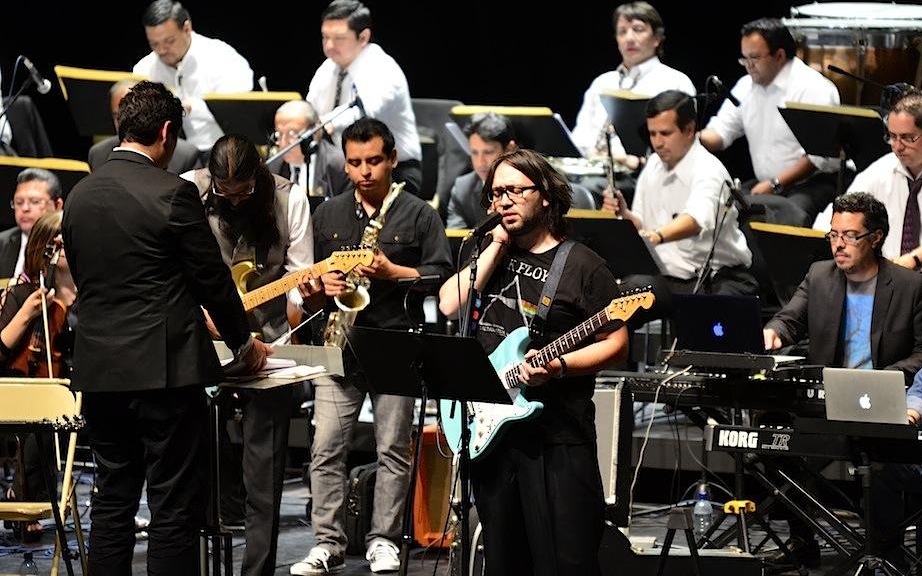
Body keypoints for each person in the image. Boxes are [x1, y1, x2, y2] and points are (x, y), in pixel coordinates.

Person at [61, 80, 269, 576]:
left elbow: (87, 281)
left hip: (100, 373)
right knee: (173, 507)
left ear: (120, 126)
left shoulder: (79, 196)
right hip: (165, 375)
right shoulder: (173, 193)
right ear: (168, 131)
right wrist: (245, 345)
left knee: (111, 502)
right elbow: (212, 283)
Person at [437, 148, 630, 575]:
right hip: (491, 433)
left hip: (557, 438)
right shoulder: (488, 255)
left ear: (545, 195)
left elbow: (617, 344)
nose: (503, 201)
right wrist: (495, 245)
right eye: (496, 193)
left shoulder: (583, 266)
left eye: (514, 191)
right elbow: (449, 304)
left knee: (566, 562)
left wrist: (560, 367)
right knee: (505, 561)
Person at [289, 117, 451, 575]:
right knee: (325, 449)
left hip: (395, 343)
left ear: (392, 159)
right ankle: (327, 543)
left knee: (393, 449)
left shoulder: (419, 213)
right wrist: (320, 286)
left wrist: (393, 273)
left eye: (374, 161)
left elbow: (442, 276)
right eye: (355, 162)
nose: (364, 171)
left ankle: (383, 540)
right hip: (338, 342)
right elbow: (306, 284)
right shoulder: (328, 214)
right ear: (345, 163)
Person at [760, 192, 922, 569]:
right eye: (833, 235)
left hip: (883, 404)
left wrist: (882, 379)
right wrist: (773, 333)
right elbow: (789, 319)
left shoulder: (909, 286)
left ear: (875, 238)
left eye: (850, 236)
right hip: (828, 402)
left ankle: (884, 554)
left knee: (883, 465)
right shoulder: (819, 276)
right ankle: (803, 539)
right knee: (772, 433)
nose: (838, 244)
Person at [179, 133, 313, 576]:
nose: (236, 201)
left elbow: (298, 280)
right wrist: (204, 314)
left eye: (245, 192)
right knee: (190, 465)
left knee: (264, 474)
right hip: (201, 340)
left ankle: (257, 571)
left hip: (269, 342)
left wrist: (301, 303)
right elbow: (171, 268)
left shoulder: (289, 199)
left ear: (259, 175)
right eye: (226, 193)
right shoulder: (187, 189)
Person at [603, 90, 756, 301]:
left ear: (689, 130)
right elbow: (643, 225)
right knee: (612, 299)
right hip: (667, 278)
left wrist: (656, 237)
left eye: (665, 134)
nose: (657, 143)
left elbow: (694, 221)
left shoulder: (709, 170)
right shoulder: (653, 165)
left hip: (717, 278)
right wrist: (624, 214)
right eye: (653, 134)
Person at [700, 17, 841, 226]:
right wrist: (691, 137)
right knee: (718, 208)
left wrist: (775, 184)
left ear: (779, 55)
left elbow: (818, 157)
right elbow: (721, 132)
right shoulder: (745, 86)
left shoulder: (813, 87)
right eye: (744, 58)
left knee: (788, 217)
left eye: (754, 58)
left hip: (813, 182)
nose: (748, 65)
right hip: (767, 183)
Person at [820, 91, 922, 307]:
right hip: (886, 278)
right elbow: (844, 208)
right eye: (892, 137)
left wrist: (911, 260)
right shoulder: (883, 168)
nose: (897, 146)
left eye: (907, 138)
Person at [571, 1, 696, 206]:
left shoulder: (674, 81)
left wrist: (632, 160)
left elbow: (683, 144)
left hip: (644, 174)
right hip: (596, 170)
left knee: (580, 192)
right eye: (622, 31)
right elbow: (580, 138)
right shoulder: (602, 83)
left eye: (638, 30)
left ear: (657, 38)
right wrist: (591, 153)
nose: (629, 38)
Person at [0, 210, 76, 541]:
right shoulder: (22, 294)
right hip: (31, 391)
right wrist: (26, 314)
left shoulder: (88, 298)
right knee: (39, 423)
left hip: (78, 388)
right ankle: (25, 495)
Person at [305, 0, 422, 196]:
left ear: (363, 37)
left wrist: (325, 124)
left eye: (339, 38)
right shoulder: (327, 68)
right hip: (347, 168)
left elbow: (365, 113)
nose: (329, 46)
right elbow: (310, 110)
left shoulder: (383, 67)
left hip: (393, 169)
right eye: (325, 37)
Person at [132, 0, 254, 155]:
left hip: (219, 151)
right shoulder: (144, 69)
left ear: (187, 28)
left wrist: (192, 107)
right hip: (167, 155)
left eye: (169, 41)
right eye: (154, 44)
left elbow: (237, 105)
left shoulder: (222, 56)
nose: (161, 50)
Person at [88, 79, 201, 174]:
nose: (123, 122)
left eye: (131, 115)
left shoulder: (186, 155)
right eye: (118, 116)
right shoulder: (98, 153)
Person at [446, 111, 517, 229]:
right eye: (474, 152)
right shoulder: (462, 189)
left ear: (509, 149)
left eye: (488, 152)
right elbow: (456, 237)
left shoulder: (529, 188)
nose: (480, 162)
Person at [266, 99, 350, 197]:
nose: (283, 143)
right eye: (279, 134)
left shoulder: (340, 165)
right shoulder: (273, 166)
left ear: (316, 132)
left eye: (292, 133)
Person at [0, 168, 63, 279]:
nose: (25, 208)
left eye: (35, 201)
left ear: (57, 205)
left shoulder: (67, 245)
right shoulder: (1, 242)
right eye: (19, 202)